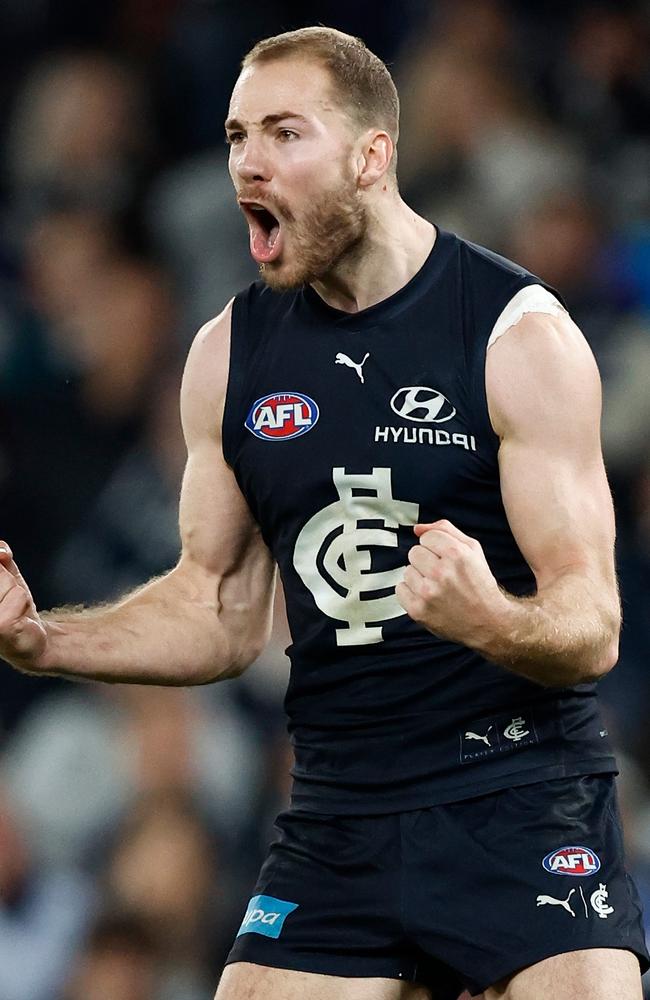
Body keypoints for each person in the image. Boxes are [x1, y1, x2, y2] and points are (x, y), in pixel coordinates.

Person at [0, 25, 647, 1000]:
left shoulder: (514, 335)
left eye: (282, 133)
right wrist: (43, 639)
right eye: (232, 136)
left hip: (517, 798)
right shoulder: (228, 354)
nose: (247, 163)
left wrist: (492, 619)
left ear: (370, 157)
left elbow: (591, 624)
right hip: (338, 808)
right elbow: (216, 608)